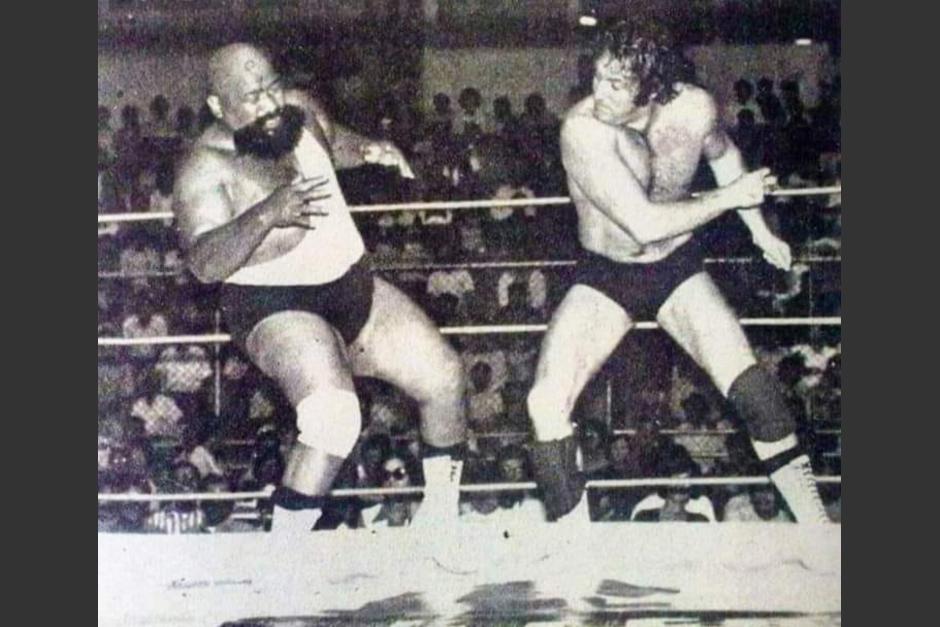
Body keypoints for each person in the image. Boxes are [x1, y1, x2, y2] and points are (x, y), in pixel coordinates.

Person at [525, 19, 829, 524]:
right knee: (545, 403)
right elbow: (645, 224)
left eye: (615, 84)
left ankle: (816, 526)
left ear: (651, 88)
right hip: (607, 274)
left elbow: (725, 155)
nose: (599, 92)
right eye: (596, 77)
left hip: (675, 268)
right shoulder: (583, 130)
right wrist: (729, 199)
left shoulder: (694, 108)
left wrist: (759, 231)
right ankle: (574, 546)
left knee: (752, 388)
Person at [173, 44, 467, 534]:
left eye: (271, 88)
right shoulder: (205, 166)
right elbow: (203, 263)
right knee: (333, 418)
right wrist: (267, 213)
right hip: (276, 305)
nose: (270, 105)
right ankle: (284, 554)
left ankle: (440, 524)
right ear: (218, 107)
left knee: (445, 378)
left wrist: (370, 149)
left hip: (352, 287)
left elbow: (333, 141)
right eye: (251, 98)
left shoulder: (298, 109)